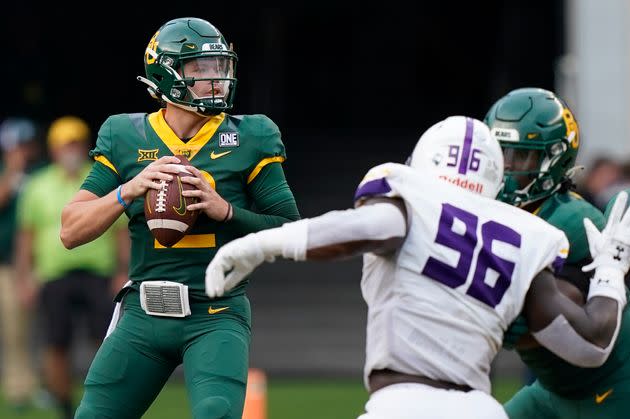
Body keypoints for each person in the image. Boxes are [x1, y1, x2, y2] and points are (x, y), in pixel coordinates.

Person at [205, 116, 629, 419]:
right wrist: (610, 269)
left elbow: (370, 226)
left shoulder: (409, 204)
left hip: (404, 404)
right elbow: (590, 345)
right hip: (480, 408)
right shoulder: (525, 237)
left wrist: (260, 245)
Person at [60, 17, 300, 419]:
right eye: (200, 69)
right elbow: (70, 229)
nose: (215, 79)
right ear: (166, 74)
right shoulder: (125, 135)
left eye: (219, 67)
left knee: (216, 413)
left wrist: (225, 211)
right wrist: (128, 191)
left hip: (215, 312)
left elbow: (293, 233)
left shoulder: (250, 136)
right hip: (142, 312)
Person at [485, 87, 630, 418]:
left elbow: (549, 314)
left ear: (553, 157)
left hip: (611, 389)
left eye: (519, 156)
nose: (506, 168)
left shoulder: (572, 220)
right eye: (500, 153)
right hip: (553, 392)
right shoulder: (499, 212)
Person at [15, 116, 129, 419]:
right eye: (66, 145)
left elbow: (120, 231)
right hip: (54, 277)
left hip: (98, 275)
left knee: (105, 343)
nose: (71, 150)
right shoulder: (37, 186)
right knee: (56, 345)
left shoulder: (100, 178)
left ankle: (106, 401)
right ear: (53, 149)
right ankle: (64, 407)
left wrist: (123, 271)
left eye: (76, 144)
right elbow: (26, 237)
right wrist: (25, 278)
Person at [0, 117, 41, 408]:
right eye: (17, 145)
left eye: (25, 144)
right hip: (6, 263)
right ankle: (17, 389)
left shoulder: (40, 174)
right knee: (13, 329)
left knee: (39, 327)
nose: (22, 150)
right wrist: (13, 174)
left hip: (38, 261)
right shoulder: (6, 174)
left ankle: (36, 384)